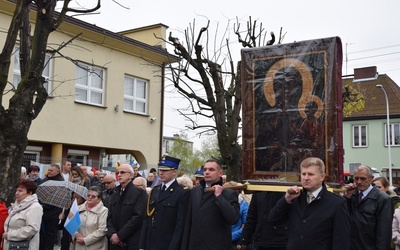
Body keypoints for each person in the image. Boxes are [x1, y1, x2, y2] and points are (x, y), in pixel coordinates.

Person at [269, 157, 350, 250]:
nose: (306, 178)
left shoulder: (337, 203)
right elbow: (273, 220)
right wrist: (286, 199)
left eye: (310, 174)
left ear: (322, 177)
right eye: (303, 174)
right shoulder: (294, 198)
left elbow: (341, 240)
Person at [181, 159, 240, 250]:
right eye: (205, 170)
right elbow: (188, 222)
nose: (207, 172)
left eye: (211, 170)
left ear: (220, 173)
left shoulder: (228, 194)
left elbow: (233, 218)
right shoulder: (195, 192)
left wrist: (219, 197)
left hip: (216, 246)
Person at [139, 155, 190, 250]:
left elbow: (180, 225)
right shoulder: (155, 190)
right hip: (151, 243)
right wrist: (142, 245)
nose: (161, 173)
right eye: (160, 170)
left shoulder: (182, 192)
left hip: (168, 243)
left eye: (165, 170)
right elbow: (147, 219)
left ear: (174, 172)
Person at [345, 165, 393, 250]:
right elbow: (344, 218)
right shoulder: (352, 195)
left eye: (363, 179)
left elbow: (384, 232)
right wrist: (347, 198)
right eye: (356, 178)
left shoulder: (383, 199)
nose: (359, 182)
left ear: (371, 179)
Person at [107, 163, 147, 250]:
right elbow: (109, 216)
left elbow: (138, 217)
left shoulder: (139, 193)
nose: (119, 175)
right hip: (114, 242)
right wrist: (112, 234)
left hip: (130, 242)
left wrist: (120, 236)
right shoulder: (115, 192)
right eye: (118, 173)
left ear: (130, 175)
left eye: (122, 172)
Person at [2, 179, 43, 250]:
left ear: (29, 193)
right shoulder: (16, 206)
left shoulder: (34, 207)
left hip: (24, 246)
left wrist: (10, 235)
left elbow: (32, 229)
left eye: (20, 191)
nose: (16, 193)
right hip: (11, 245)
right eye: (17, 190)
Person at [39, 164, 65, 250]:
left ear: (57, 172)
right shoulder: (44, 180)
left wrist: (44, 205)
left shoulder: (61, 182)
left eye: (51, 170)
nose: (49, 172)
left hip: (53, 213)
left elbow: (58, 198)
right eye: (48, 170)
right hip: (41, 212)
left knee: (50, 235)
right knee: (41, 235)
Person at [223, 181, 248, 249]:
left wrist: (230, 237)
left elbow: (245, 227)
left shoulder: (243, 205)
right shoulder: (221, 203)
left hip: (234, 243)